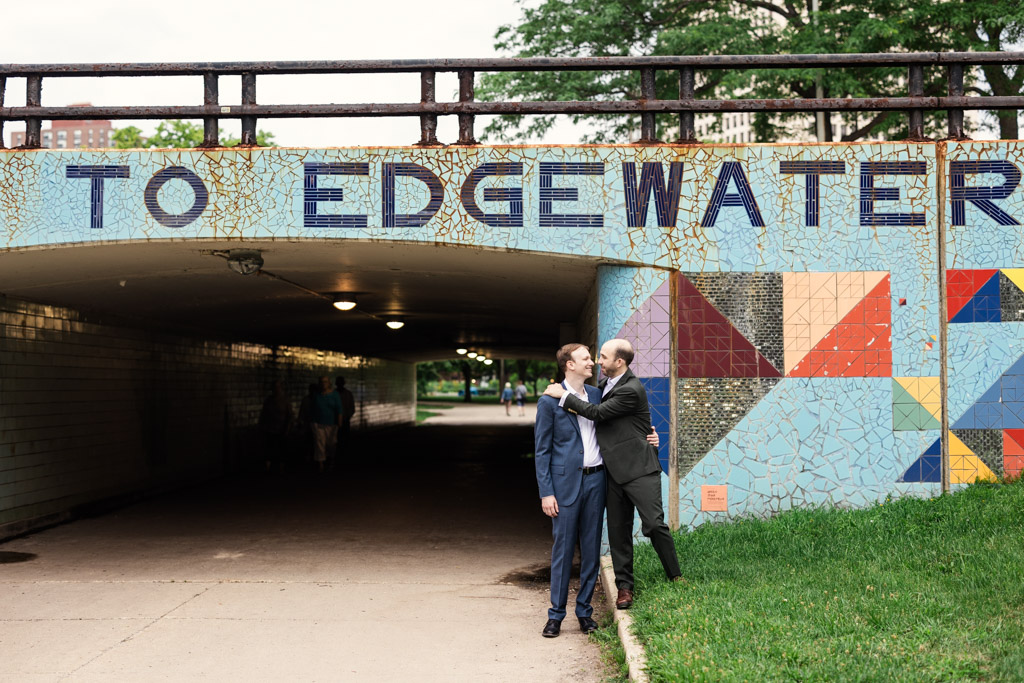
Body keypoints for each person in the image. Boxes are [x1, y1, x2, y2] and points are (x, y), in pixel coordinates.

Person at [544, 339, 681, 610]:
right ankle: (625, 588)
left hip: (639, 469)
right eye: (596, 357)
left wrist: (563, 396)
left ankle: (675, 575)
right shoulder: (602, 387)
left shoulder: (631, 388)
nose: (598, 361)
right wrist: (648, 433)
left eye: (603, 357)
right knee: (618, 532)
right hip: (612, 473)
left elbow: (597, 414)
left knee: (654, 524)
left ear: (619, 362)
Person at [534, 343, 606, 638]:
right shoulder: (548, 402)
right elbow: (542, 451)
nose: (593, 362)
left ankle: (585, 612)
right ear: (569, 365)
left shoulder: (598, 396)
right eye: (586, 358)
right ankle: (555, 616)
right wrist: (545, 492)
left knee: (591, 550)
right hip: (563, 485)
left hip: (597, 481)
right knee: (563, 550)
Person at [258, 380, 293, 473]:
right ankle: (268, 466)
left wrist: (287, 429)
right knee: (269, 448)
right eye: (274, 387)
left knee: (282, 449)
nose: (276, 390)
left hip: (281, 428)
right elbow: (263, 414)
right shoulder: (269, 400)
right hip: (270, 428)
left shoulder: (285, 401)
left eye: (277, 387)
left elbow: (289, 416)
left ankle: (281, 467)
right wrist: (261, 426)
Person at [311, 376, 343, 472]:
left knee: (331, 443)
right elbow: (312, 409)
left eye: (325, 382)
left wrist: (339, 423)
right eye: (321, 382)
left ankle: (330, 460)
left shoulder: (335, 395)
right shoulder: (317, 395)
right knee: (319, 443)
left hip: (331, 424)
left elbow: (339, 409)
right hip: (318, 423)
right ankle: (321, 463)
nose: (323, 384)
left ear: (329, 383)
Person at [335, 376, 356, 452]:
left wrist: (347, 417)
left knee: (343, 438)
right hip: (337, 421)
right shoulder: (334, 394)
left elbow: (352, 408)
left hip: (344, 420)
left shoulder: (347, 394)